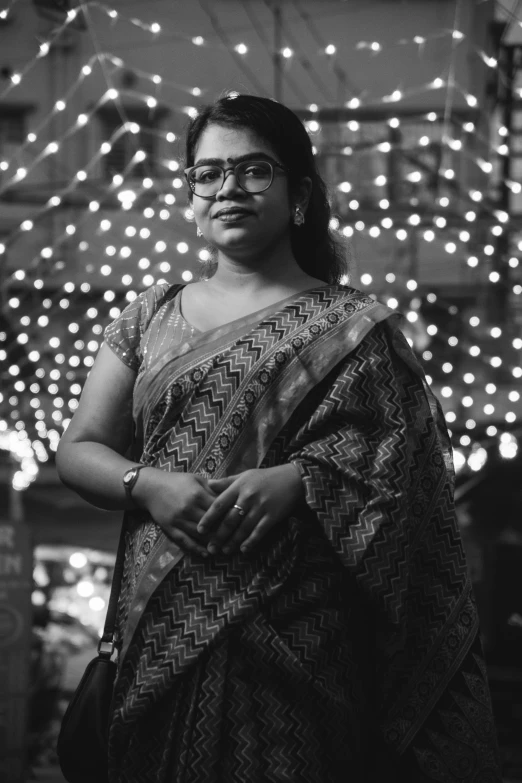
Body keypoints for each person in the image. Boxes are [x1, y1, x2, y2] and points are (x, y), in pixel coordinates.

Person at [56, 93, 502, 783]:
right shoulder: (147, 317)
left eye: (253, 169)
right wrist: (150, 484)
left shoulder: (355, 328)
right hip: (157, 637)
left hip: (299, 650)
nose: (228, 187)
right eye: (208, 173)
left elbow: (409, 475)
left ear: (298, 193)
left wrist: (301, 479)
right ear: (192, 194)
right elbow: (79, 448)